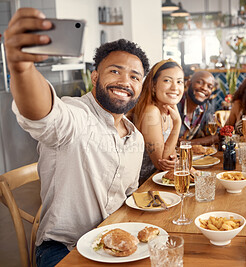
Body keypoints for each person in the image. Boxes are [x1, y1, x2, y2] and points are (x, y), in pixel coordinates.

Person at [4, 8, 150, 267]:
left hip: (116, 242)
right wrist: (21, 67)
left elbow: (130, 196)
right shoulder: (77, 116)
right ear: (95, 77)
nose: (125, 81)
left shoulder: (135, 138)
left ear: (140, 87)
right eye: (114, 71)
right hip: (63, 248)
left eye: (134, 77)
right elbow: (47, 116)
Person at [128, 59, 184, 185]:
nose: (175, 87)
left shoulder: (167, 109)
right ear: (153, 86)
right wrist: (177, 124)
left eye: (179, 81)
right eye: (167, 80)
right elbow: (161, 163)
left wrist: (174, 159)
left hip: (159, 180)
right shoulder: (151, 111)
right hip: (143, 186)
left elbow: (169, 156)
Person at [177, 70, 219, 145]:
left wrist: (189, 143)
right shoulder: (175, 104)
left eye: (209, 87)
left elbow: (216, 136)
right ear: (188, 83)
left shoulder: (206, 107)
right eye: (199, 82)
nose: (204, 88)